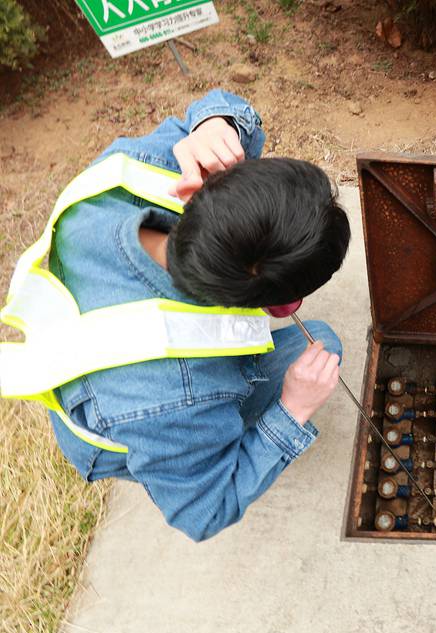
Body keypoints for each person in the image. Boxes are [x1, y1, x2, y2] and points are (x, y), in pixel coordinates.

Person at [0, 90, 351, 541]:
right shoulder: (178, 399)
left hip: (108, 355)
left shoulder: (140, 170)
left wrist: (214, 122)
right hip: (124, 418)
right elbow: (204, 512)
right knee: (320, 344)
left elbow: (220, 102)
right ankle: (197, 451)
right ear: (262, 301)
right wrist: (292, 410)